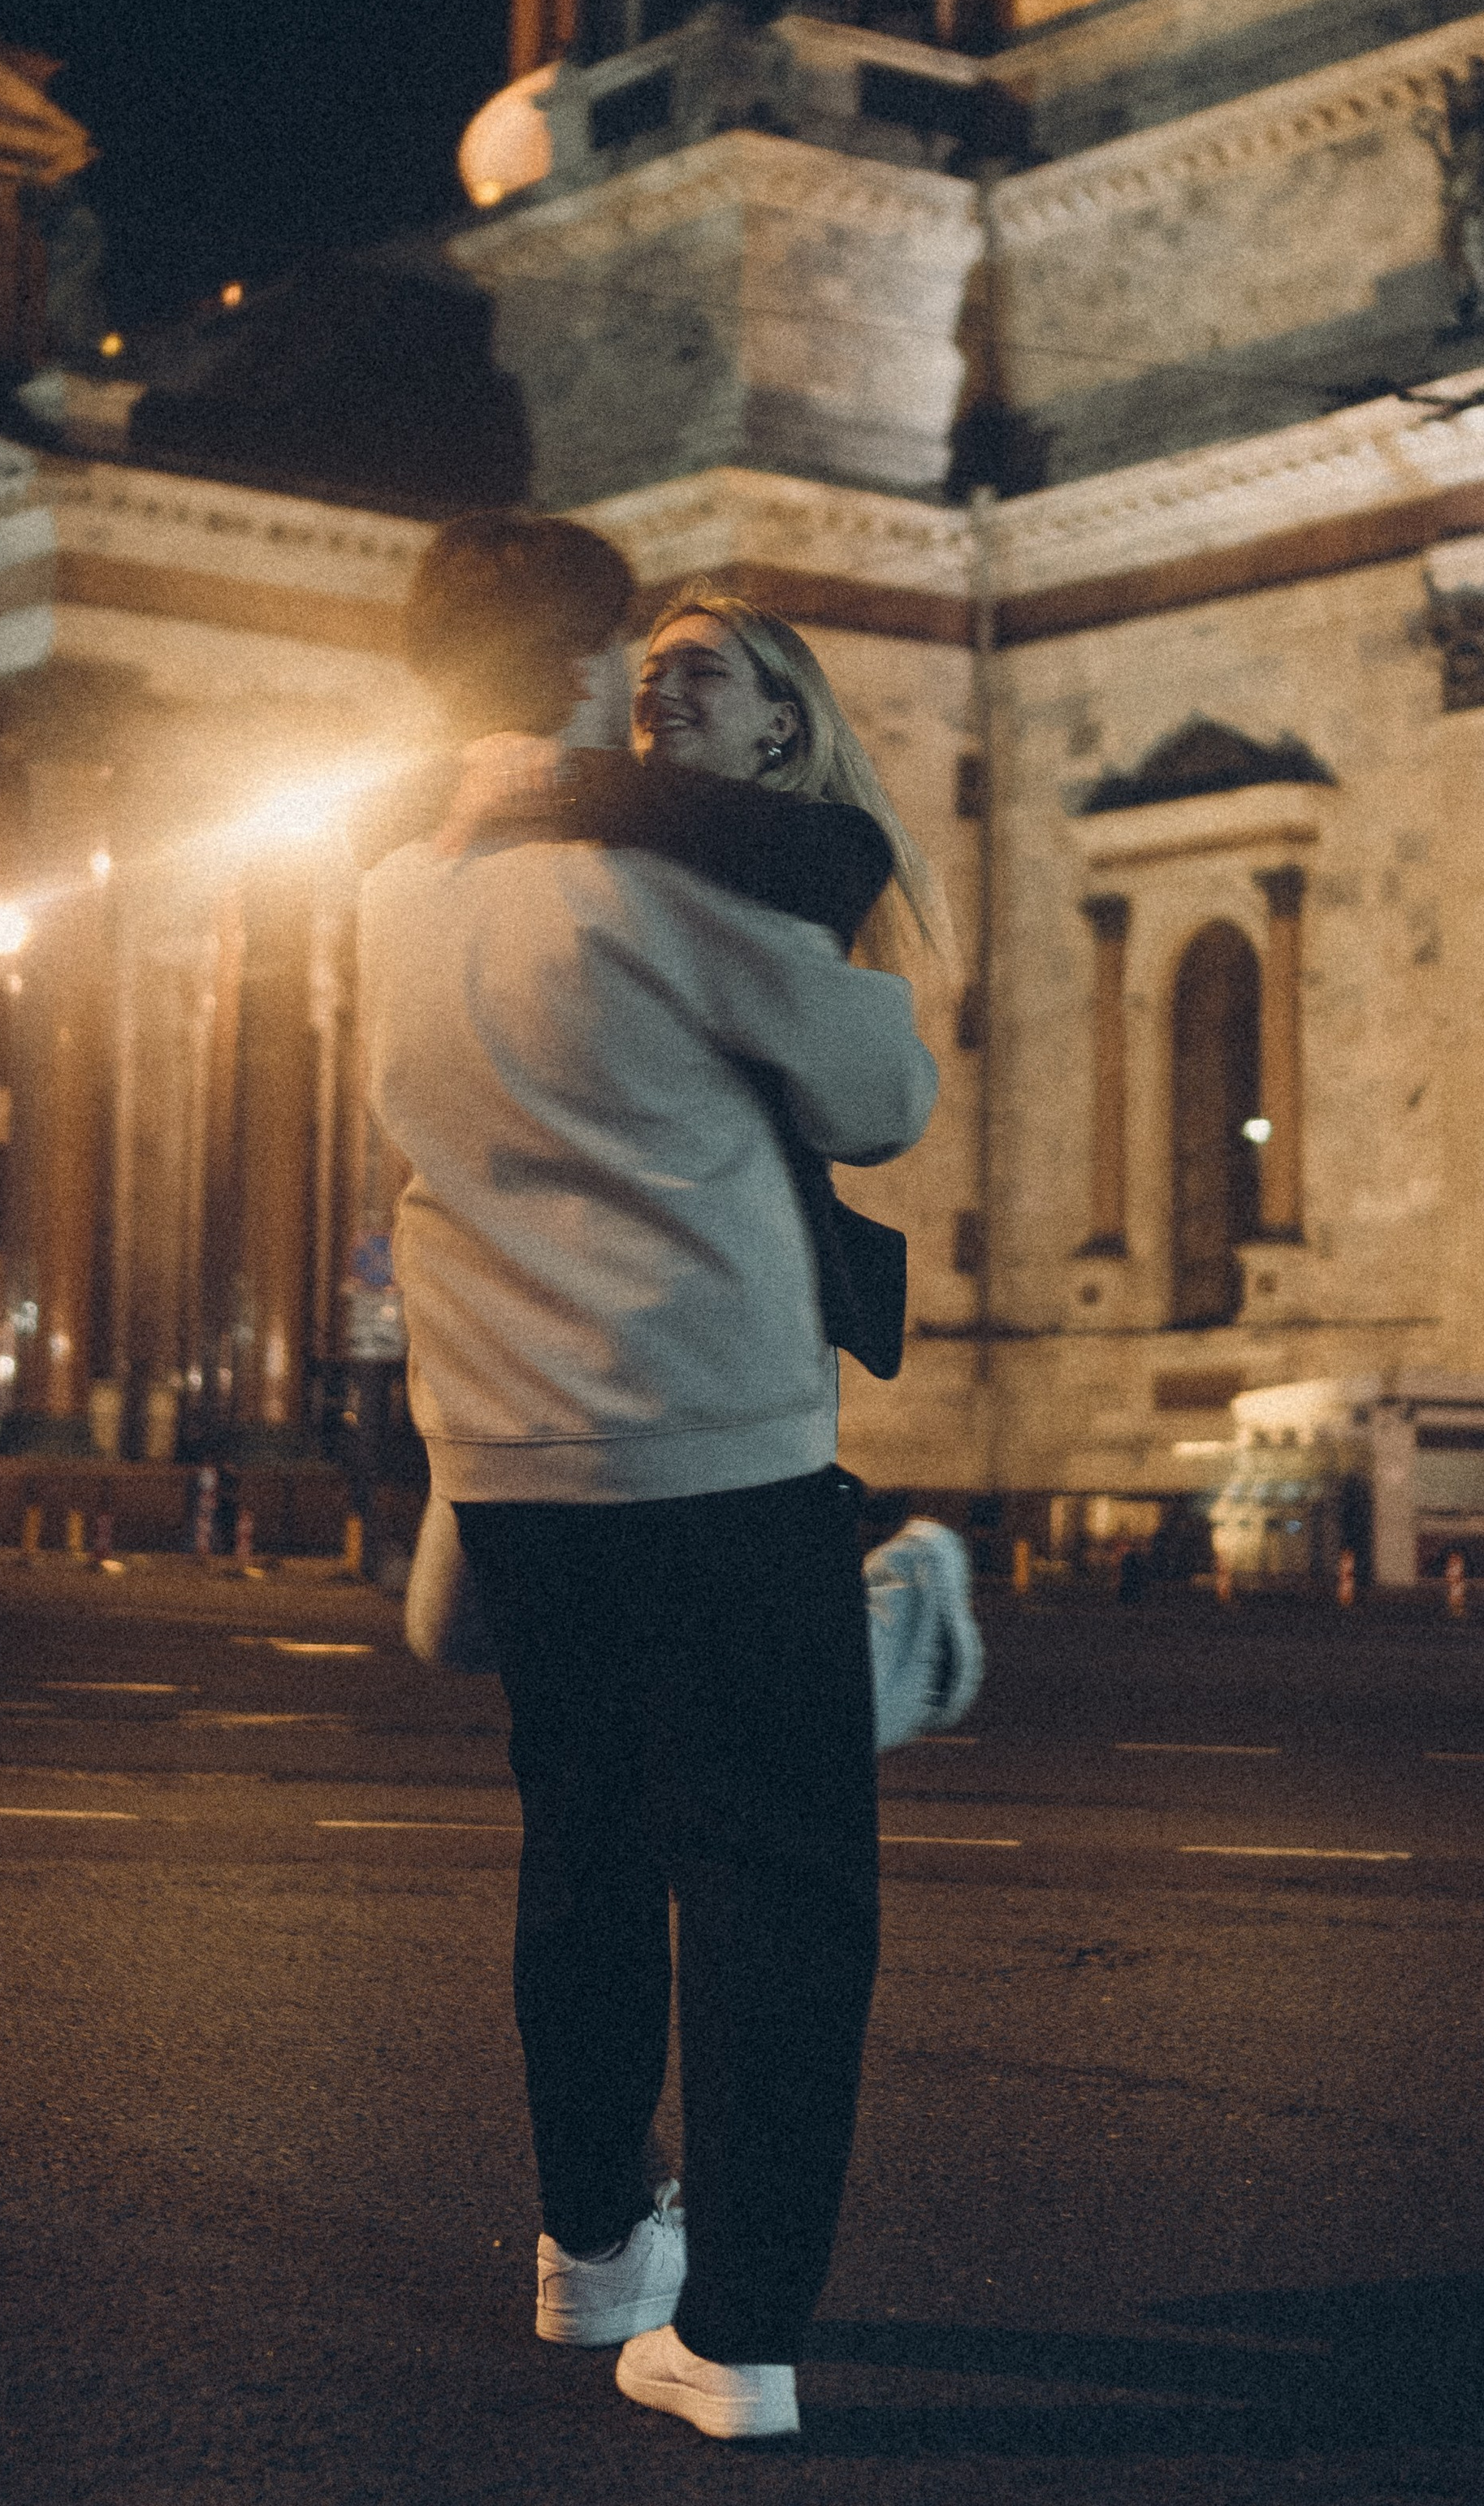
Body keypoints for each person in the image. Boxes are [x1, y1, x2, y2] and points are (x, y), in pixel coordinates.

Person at [360, 513, 940, 2443]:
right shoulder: (647, 884)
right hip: (710, 1443)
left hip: (517, 1457)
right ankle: (737, 2337)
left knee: (584, 1852)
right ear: (595, 661)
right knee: (773, 1881)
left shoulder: (386, 895)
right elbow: (879, 1093)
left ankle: (597, 2249)